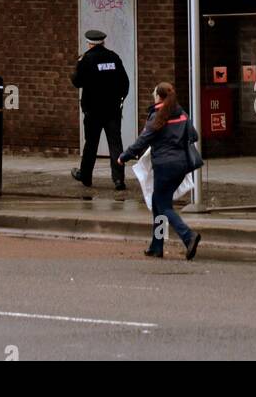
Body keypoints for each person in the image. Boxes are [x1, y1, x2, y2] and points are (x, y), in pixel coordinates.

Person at [119, 83, 202, 260]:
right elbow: (194, 135)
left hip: (164, 166)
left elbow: (143, 140)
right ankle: (156, 246)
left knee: (164, 206)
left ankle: (188, 236)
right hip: (182, 165)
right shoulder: (181, 114)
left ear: (158, 98)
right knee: (159, 204)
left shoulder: (157, 116)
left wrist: (124, 156)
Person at [70, 28, 129, 192]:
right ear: (103, 42)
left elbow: (77, 82)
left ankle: (86, 176)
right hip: (112, 111)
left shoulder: (86, 60)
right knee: (115, 144)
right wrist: (120, 101)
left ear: (89, 44)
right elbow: (125, 83)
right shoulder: (114, 57)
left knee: (91, 144)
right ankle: (118, 179)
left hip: (93, 111)